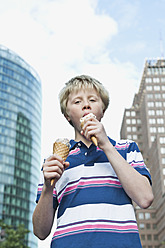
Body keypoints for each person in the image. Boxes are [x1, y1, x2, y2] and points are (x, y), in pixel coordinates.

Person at [33, 75, 154, 248]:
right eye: (77, 101)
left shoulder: (127, 148)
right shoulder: (55, 161)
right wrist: (47, 187)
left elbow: (145, 198)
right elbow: (40, 231)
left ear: (102, 110)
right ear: (67, 115)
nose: (86, 104)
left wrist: (106, 145)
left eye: (92, 99)